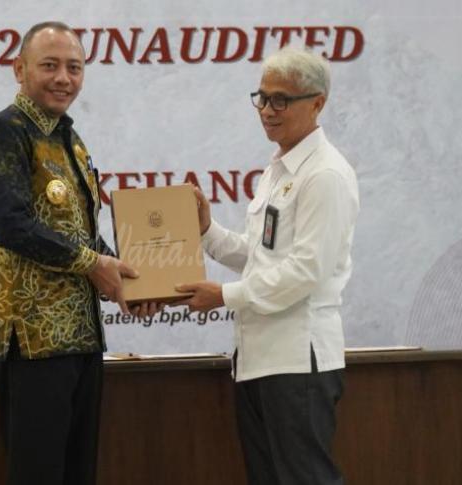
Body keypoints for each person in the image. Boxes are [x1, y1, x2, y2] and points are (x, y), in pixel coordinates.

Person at [0, 21, 159, 485]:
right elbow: (10, 225)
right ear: (19, 69)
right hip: (32, 343)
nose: (63, 78)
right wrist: (94, 265)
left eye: (74, 68)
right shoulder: (5, 132)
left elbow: (82, 234)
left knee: (78, 475)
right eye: (49, 65)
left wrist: (131, 281)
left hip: (82, 339)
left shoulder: (68, 138)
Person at [175, 47, 359, 484]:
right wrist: (206, 231)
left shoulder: (324, 175)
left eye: (281, 100)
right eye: (262, 97)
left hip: (298, 360)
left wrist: (223, 296)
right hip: (260, 359)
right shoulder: (278, 170)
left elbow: (305, 272)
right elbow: (261, 258)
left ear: (317, 103)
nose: (267, 111)